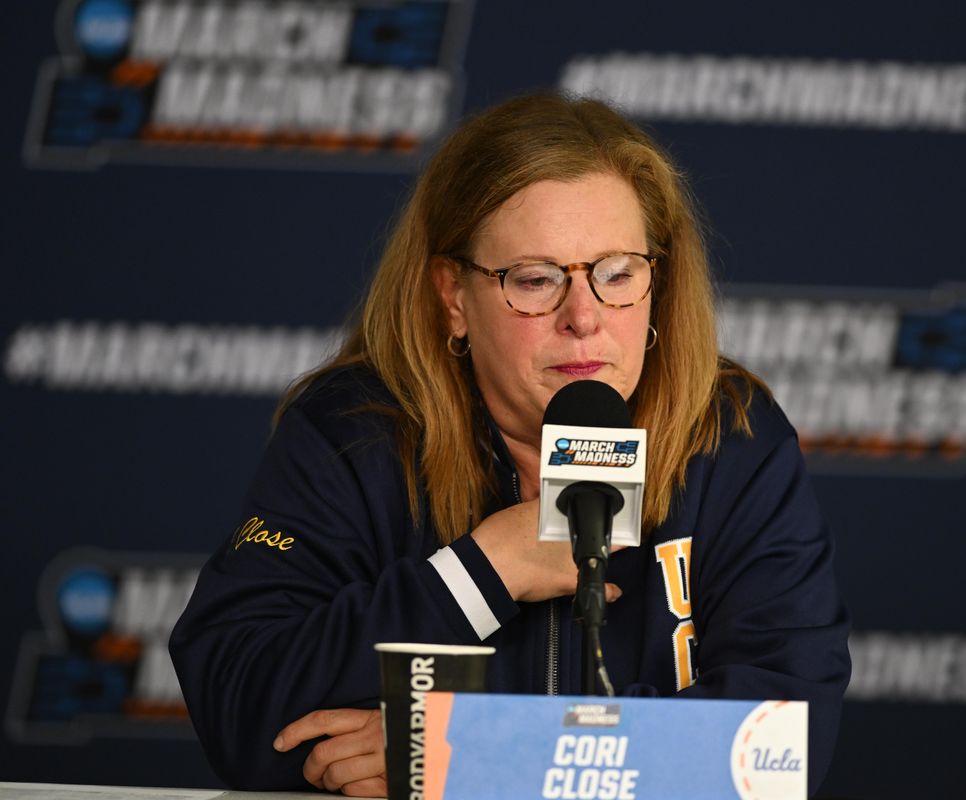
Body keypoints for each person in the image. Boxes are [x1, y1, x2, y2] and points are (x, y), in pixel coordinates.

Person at [169, 91, 851, 796]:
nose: (583, 318)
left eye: (617, 274)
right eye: (534, 280)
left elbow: (780, 748)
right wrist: (480, 573)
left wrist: (470, 757)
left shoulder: (732, 437)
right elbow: (242, 703)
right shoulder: (356, 431)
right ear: (453, 297)